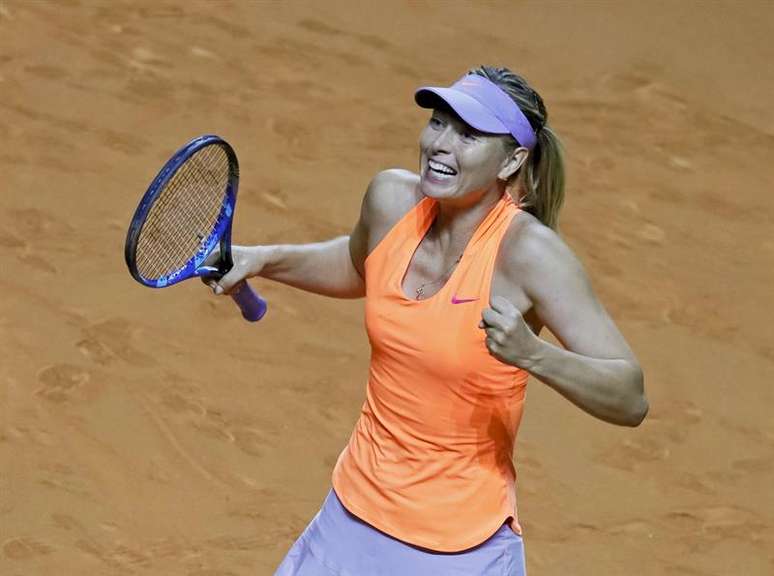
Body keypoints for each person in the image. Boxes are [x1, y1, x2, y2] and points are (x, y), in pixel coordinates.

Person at [205, 65, 648, 575]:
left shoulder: (529, 255)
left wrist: (533, 354)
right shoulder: (391, 200)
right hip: (350, 519)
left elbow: (630, 396)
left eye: (468, 135)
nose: (441, 144)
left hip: (459, 548)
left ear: (512, 161)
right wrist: (263, 258)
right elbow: (359, 265)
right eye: (438, 123)